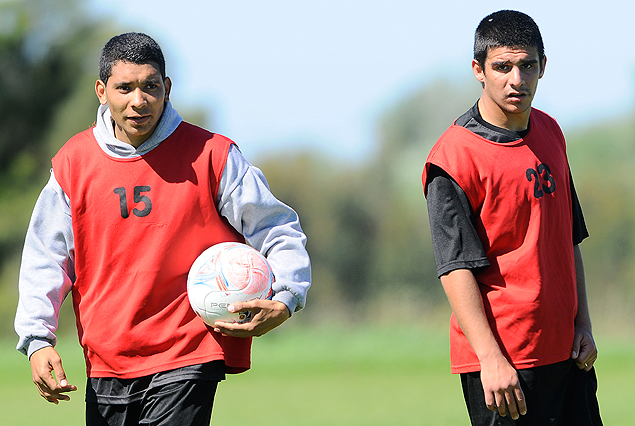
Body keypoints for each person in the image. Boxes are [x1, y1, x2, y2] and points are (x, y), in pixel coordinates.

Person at [15, 32, 311, 425]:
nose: (139, 101)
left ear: (166, 88)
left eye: (150, 87)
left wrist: (287, 295)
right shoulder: (74, 163)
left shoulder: (213, 155)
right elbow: (45, 258)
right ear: (101, 91)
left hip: (188, 351)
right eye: (125, 88)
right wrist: (37, 339)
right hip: (106, 358)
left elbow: (276, 227)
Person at [421, 10, 602, 425]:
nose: (516, 79)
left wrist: (584, 324)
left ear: (543, 67)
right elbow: (455, 269)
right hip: (506, 363)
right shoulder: (452, 158)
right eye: (502, 67)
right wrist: (490, 358)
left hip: (568, 353)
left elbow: (567, 238)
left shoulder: (552, 132)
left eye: (527, 66)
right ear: (478, 70)